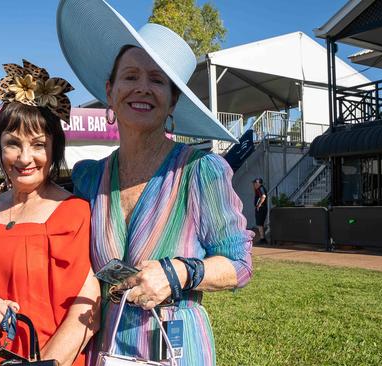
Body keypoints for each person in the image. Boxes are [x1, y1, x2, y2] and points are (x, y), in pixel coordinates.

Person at [57, 1, 253, 365]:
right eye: (130, 76)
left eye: (157, 80)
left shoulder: (200, 170)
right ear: (110, 90)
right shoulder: (88, 177)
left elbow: (240, 264)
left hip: (177, 351)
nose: (142, 88)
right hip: (107, 349)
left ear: (172, 101)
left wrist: (180, 272)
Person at [0, 60, 100, 366]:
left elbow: (89, 310)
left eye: (38, 144)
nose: (24, 158)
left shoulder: (75, 213)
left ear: (54, 148)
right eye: (13, 144)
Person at [253, 178, 268, 244]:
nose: (254, 184)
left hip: (261, 208)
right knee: (259, 224)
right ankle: (262, 238)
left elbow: (263, 196)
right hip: (260, 208)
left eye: (256, 183)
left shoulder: (261, 188)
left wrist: (259, 205)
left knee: (260, 223)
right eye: (254, 183)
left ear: (260, 183)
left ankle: (263, 239)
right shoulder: (258, 189)